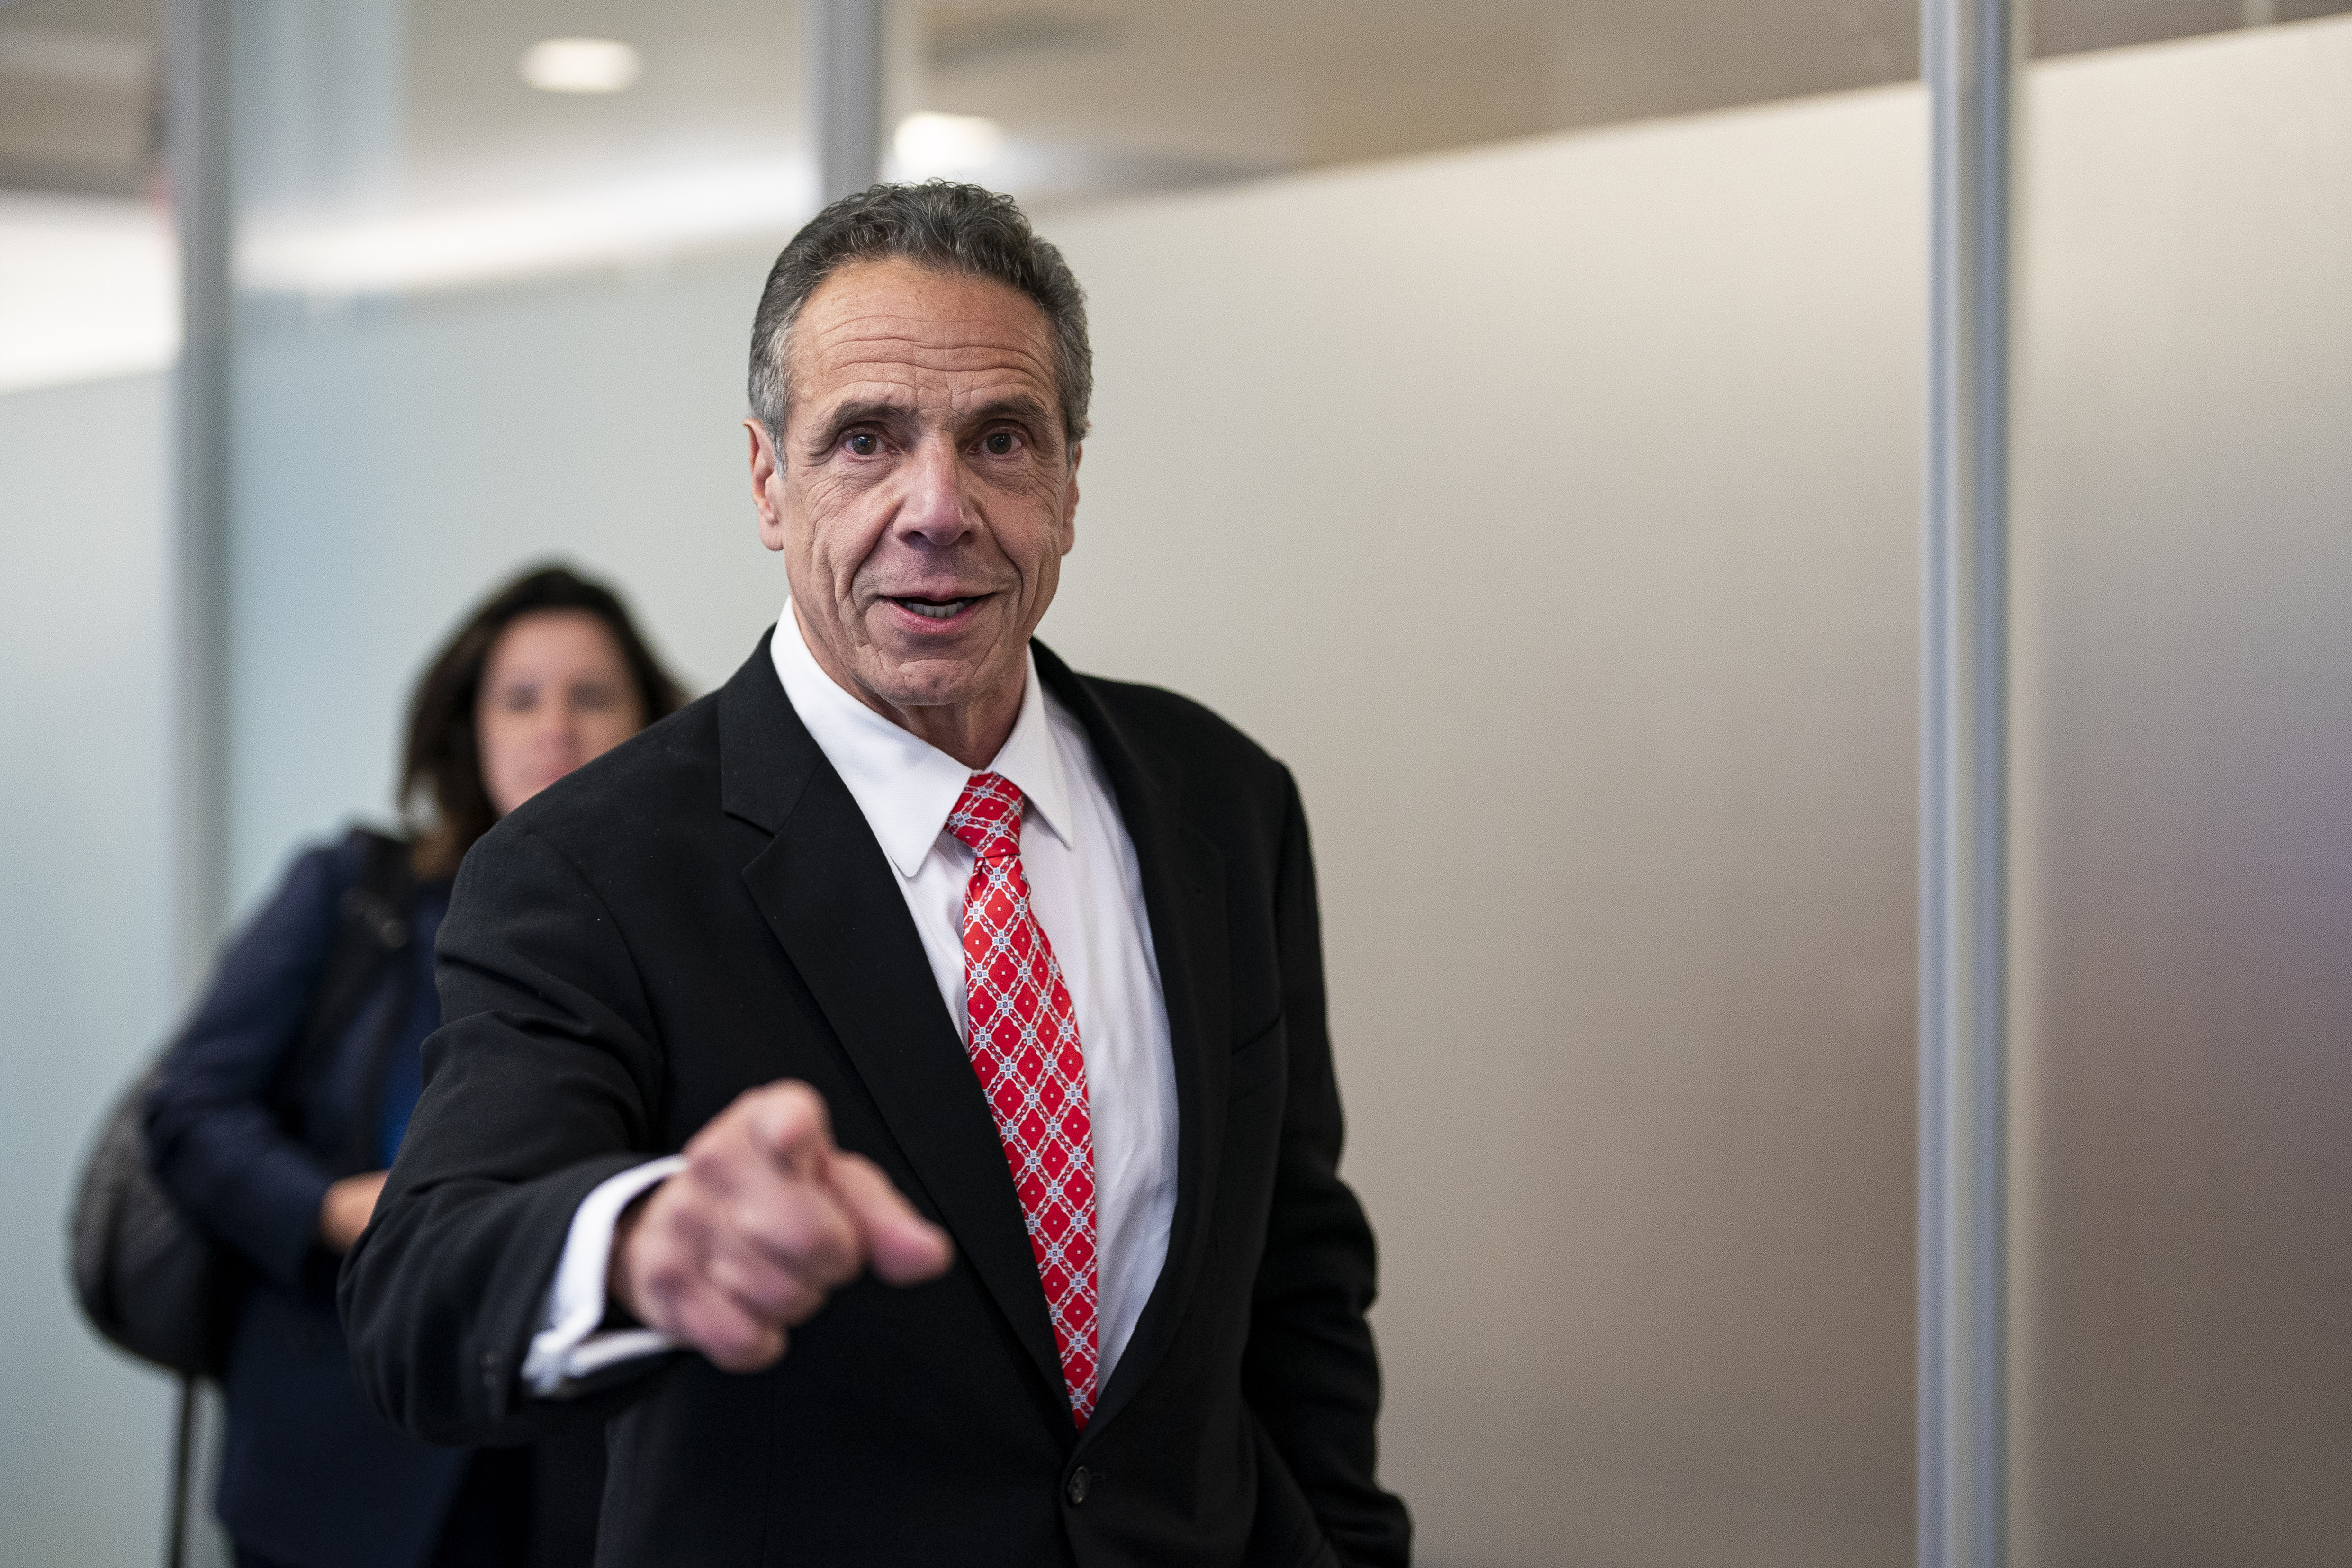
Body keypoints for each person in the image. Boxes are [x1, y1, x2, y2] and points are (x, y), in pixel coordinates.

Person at [341, 183, 1412, 1567]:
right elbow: (419, 1291)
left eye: (1001, 439)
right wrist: (636, 1240)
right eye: (864, 439)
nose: (937, 508)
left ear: (1071, 483)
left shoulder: (1221, 800)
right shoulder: (585, 867)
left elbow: (1296, 1278)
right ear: (767, 481)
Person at [147, 565, 686, 1568]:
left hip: (578, 1465)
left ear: (651, 721)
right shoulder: (354, 892)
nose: (554, 726)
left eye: (592, 694)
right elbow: (187, 1110)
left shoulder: (690, 929)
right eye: (519, 697)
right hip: (335, 1453)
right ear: (467, 727)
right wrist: (333, 1205)